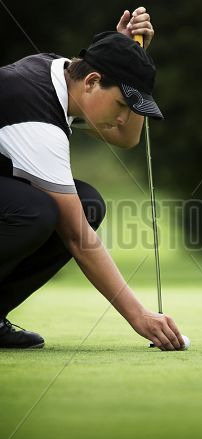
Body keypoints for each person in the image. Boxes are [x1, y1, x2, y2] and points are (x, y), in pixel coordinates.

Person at [0, 7, 184, 351]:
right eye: (121, 105)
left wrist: (133, 55)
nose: (123, 118)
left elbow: (126, 138)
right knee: (38, 211)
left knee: (88, 205)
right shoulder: (36, 116)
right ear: (92, 82)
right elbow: (76, 236)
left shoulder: (61, 75)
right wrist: (139, 317)